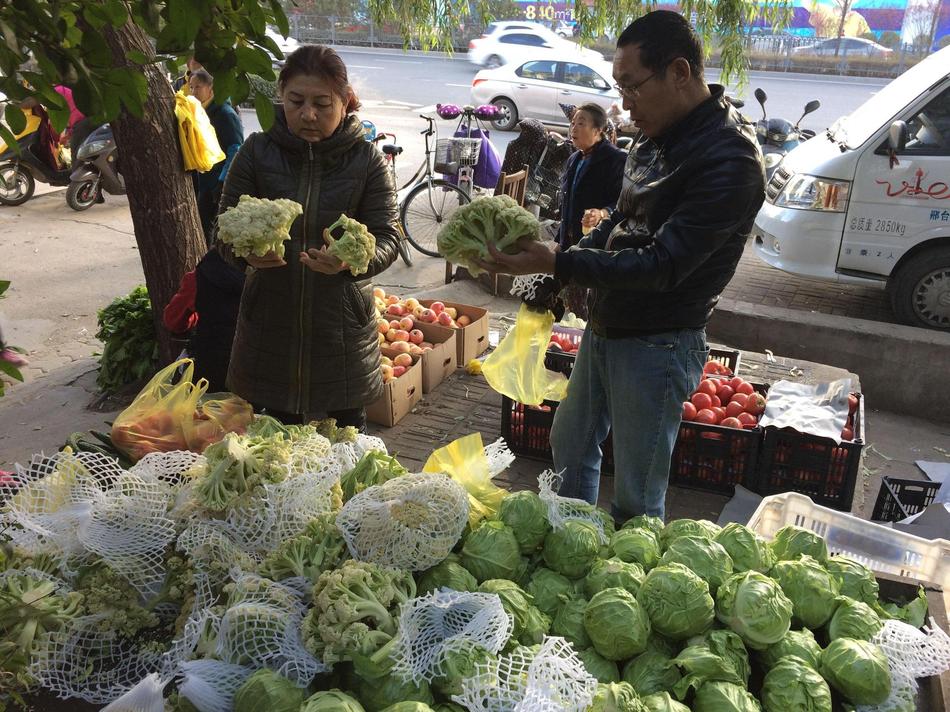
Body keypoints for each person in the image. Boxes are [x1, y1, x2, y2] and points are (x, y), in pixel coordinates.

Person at [479, 11, 766, 520]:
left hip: (660, 339)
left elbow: (663, 265)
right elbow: (621, 216)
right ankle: (573, 537)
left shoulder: (730, 159)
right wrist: (561, 260)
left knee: (636, 491)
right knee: (570, 444)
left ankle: (628, 563)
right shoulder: (657, 132)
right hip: (608, 321)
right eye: (621, 88)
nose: (625, 103)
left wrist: (562, 261)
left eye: (632, 86)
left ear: (679, 72)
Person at [216, 44, 400, 431]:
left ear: (345, 102)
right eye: (296, 101)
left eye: (322, 103)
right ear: (281, 96)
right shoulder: (256, 152)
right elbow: (223, 229)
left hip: (341, 334)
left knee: (346, 444)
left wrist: (350, 262)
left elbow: (387, 236)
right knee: (272, 446)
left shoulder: (367, 161)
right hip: (269, 328)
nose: (308, 114)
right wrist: (245, 255)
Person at [163, 249, 245, 392]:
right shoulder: (271, 278)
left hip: (210, 371)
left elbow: (173, 321)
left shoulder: (200, 277)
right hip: (262, 374)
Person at [558, 103, 626, 251]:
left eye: (581, 124)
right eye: (573, 123)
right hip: (570, 244)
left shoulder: (616, 159)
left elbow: (623, 204)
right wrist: (560, 241)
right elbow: (567, 205)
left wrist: (601, 213)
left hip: (596, 248)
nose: (573, 128)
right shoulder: (574, 159)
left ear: (597, 130)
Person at [188, 69, 245, 243]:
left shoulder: (225, 114)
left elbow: (236, 149)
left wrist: (222, 181)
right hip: (203, 180)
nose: (193, 92)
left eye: (198, 87)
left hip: (216, 183)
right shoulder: (201, 111)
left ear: (211, 88)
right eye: (191, 87)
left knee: (212, 230)